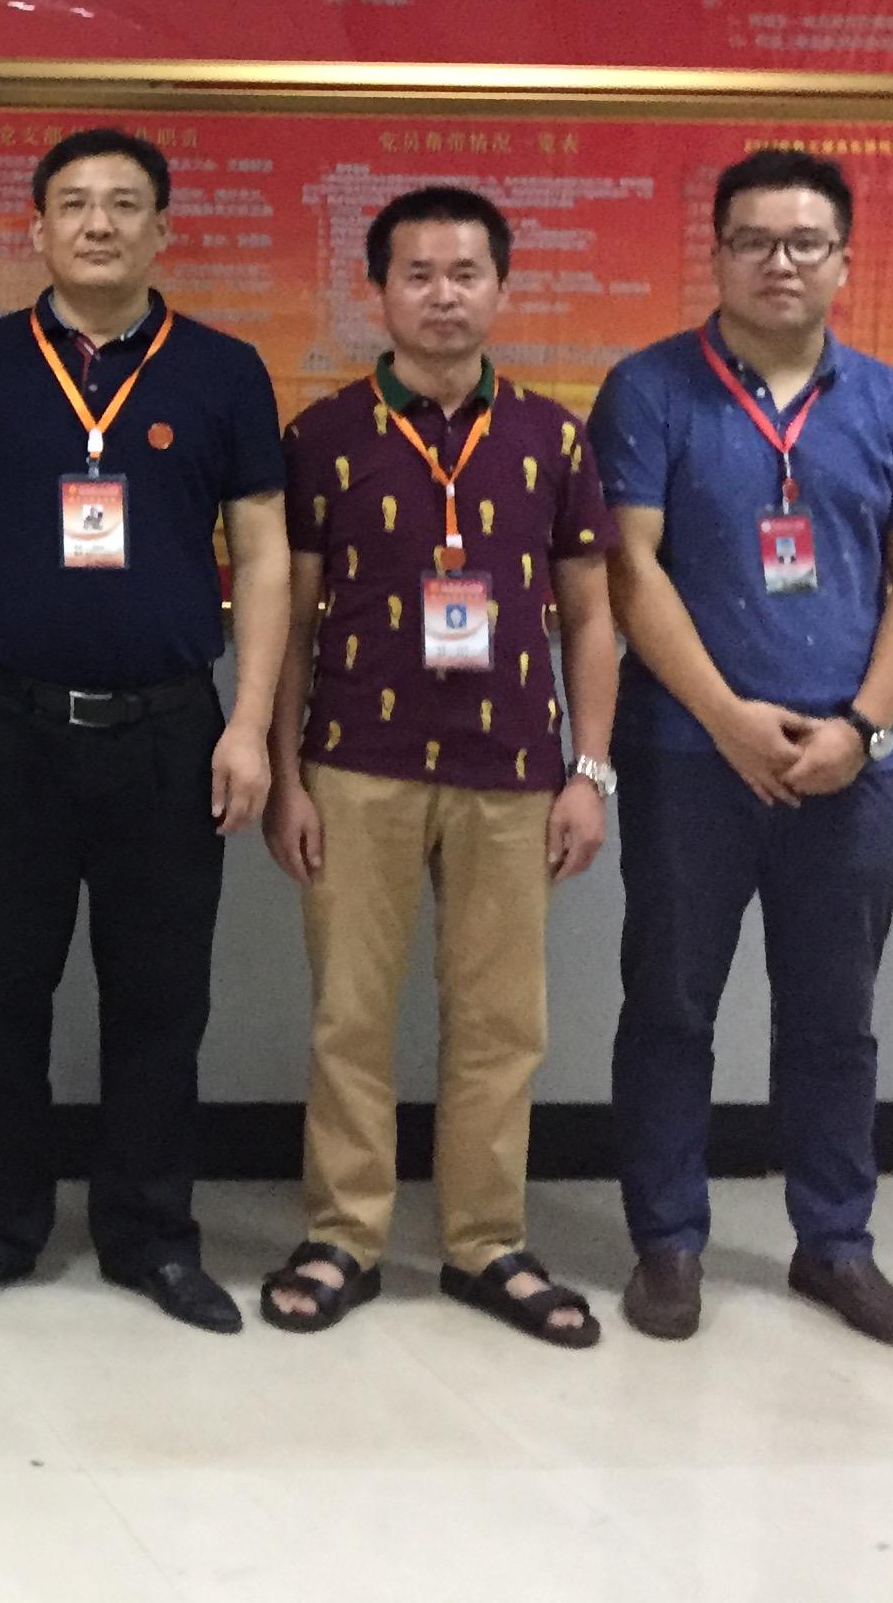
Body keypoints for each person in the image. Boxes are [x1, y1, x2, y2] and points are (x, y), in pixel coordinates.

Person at [0, 128, 286, 1335]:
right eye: (73, 204)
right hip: (9, 723)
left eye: (125, 204)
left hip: (172, 733)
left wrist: (251, 725)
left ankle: (152, 1235)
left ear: (163, 230)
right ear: (37, 230)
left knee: (161, 1003)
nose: (99, 224)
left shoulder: (223, 371)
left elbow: (264, 556)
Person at [594, 149, 893, 1349]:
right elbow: (631, 568)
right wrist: (724, 716)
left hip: (847, 768)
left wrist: (860, 727)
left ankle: (835, 1243)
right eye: (752, 241)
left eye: (805, 243)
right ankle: (668, 1242)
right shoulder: (649, 390)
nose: (779, 263)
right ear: (716, 254)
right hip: (689, 755)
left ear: (845, 261)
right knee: (670, 1005)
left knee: (834, 1019)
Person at [260, 186, 616, 1347]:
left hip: (514, 769)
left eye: (466, 273)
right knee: (349, 1018)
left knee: (502, 1022)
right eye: (418, 274)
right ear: (378, 291)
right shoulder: (322, 437)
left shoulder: (555, 438)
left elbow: (590, 618)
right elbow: (291, 621)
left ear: (502, 288)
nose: (443, 296)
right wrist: (286, 772)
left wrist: (590, 771)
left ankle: (486, 1242)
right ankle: (344, 1235)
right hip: (354, 764)